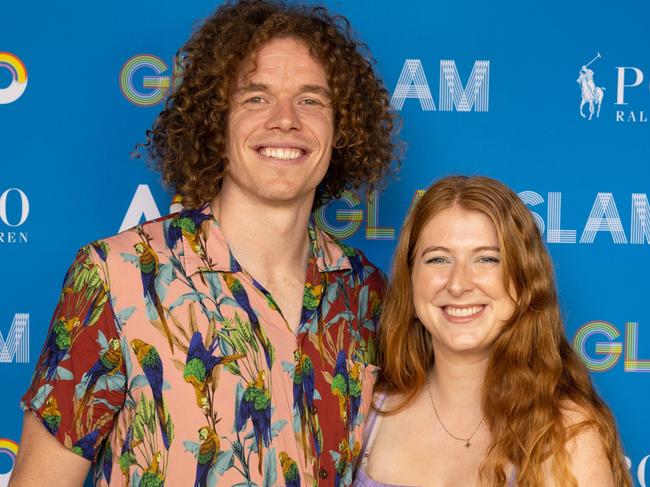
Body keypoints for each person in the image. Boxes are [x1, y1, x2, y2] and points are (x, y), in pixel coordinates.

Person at [11, 1, 398, 485]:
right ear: (215, 123)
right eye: (256, 98)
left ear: (342, 128)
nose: (285, 120)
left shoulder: (365, 293)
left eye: (311, 99)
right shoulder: (118, 274)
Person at [354, 176, 631, 487]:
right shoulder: (366, 413)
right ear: (411, 278)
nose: (458, 284)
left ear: (523, 280)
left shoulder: (566, 433)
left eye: (486, 259)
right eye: (438, 259)